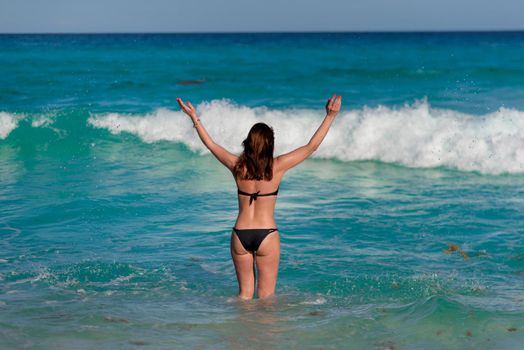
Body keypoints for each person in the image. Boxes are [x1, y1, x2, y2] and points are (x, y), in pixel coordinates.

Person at [177, 95, 342, 299]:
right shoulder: (277, 166)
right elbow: (311, 147)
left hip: (240, 235)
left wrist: (194, 117)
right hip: (267, 235)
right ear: (269, 144)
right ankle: (263, 332)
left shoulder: (237, 166)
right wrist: (330, 116)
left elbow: (211, 144)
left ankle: (239, 330)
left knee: (244, 296)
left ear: (249, 142)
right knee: (266, 298)